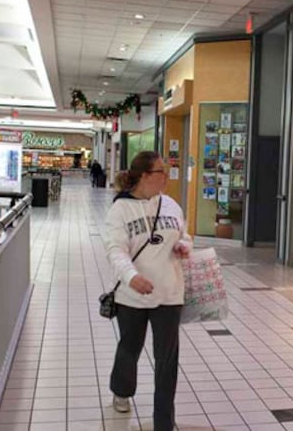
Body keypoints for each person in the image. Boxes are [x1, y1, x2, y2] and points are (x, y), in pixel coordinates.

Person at [104, 151, 191, 431]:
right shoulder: (120, 209)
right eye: (160, 172)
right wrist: (131, 277)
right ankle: (122, 389)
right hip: (133, 295)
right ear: (143, 176)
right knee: (130, 347)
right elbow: (115, 250)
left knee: (167, 360)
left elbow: (185, 234)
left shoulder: (171, 205)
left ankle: (163, 422)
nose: (166, 177)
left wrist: (183, 246)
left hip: (169, 293)